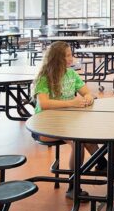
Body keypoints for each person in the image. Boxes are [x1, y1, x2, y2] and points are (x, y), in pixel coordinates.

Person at [32, 41, 96, 198]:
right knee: (79, 144)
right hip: (45, 125)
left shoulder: (71, 74)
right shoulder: (44, 78)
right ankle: (73, 187)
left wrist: (88, 98)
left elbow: (87, 93)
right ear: (56, 59)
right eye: (67, 55)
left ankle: (101, 163)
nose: (71, 58)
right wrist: (71, 103)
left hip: (67, 122)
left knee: (90, 137)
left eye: (70, 54)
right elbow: (44, 104)